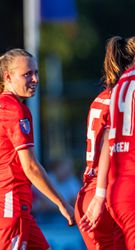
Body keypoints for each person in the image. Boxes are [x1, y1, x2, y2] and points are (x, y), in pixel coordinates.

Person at [0, 48, 75, 250]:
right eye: (27, 74)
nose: (35, 79)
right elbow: (31, 167)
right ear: (7, 77)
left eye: (36, 73)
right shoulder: (14, 110)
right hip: (9, 203)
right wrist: (62, 203)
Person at [80, 36, 135, 248]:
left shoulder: (107, 95)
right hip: (110, 186)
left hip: (93, 189)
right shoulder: (122, 95)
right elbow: (108, 142)